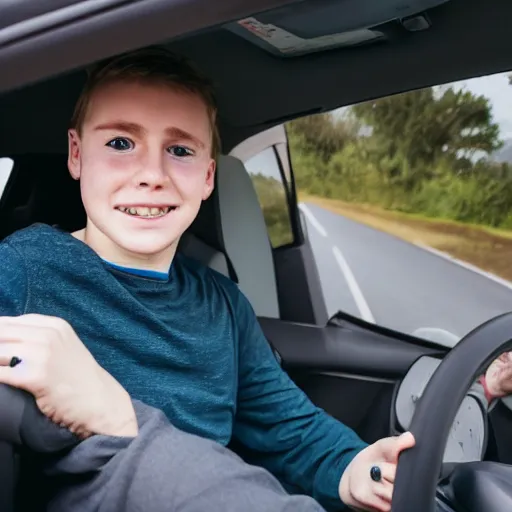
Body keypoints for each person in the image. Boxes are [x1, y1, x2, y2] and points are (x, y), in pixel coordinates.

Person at [0, 46, 510, 512]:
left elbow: (291, 429)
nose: (151, 173)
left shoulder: (222, 304)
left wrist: (358, 469)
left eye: (180, 151)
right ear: (75, 154)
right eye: (119, 142)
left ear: (207, 176)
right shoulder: (24, 270)